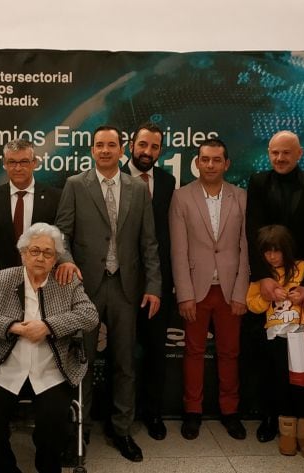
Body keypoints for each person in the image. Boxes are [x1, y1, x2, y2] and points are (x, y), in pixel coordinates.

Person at [54, 125, 161, 462]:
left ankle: (122, 430)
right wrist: (68, 264)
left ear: (121, 149)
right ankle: (79, 430)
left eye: (111, 145)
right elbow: (61, 235)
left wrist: (154, 286)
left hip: (126, 288)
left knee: (125, 362)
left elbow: (149, 242)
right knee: (81, 360)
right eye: (99, 144)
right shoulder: (75, 185)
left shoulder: (137, 189)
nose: (104, 150)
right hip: (85, 287)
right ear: (91, 149)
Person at [0, 223, 100, 473]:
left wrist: (48, 326)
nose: (40, 257)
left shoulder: (66, 281)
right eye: (34, 250)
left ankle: (47, 466)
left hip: (50, 370)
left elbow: (89, 315)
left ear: (55, 258)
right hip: (6, 367)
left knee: (55, 422)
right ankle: (6, 468)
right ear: (23, 254)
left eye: (48, 253)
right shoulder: (3, 278)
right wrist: (13, 326)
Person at [244, 130, 304, 442]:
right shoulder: (258, 182)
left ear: (299, 154)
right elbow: (251, 231)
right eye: (274, 153)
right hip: (268, 286)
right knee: (270, 361)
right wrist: (263, 277)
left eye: (286, 153)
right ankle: (271, 418)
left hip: (303, 286)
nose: (279, 159)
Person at [168, 138, 249, 440]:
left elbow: (246, 248)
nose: (211, 165)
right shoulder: (181, 197)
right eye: (205, 159)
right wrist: (184, 294)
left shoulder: (241, 197)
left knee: (230, 352)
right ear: (198, 162)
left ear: (227, 164)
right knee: (193, 352)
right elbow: (178, 249)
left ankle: (230, 411)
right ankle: (193, 411)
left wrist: (241, 292)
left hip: (230, 291)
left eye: (217, 160)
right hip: (196, 290)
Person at [246, 224, 304, 460]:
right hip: (277, 338)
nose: (272, 256)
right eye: (267, 252)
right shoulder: (262, 277)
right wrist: (266, 295)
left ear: (287, 249)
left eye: (277, 251)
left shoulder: (303, 269)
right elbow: (251, 303)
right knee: (281, 384)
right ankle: (287, 434)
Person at [120, 122, 175, 440]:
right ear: (131, 145)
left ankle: (152, 413)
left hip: (157, 284)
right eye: (143, 145)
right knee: (122, 353)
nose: (147, 152)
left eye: (154, 147)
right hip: (122, 283)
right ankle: (119, 415)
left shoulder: (167, 182)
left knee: (155, 352)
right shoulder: (115, 177)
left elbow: (165, 237)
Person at [0, 138, 61, 293]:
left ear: (35, 163)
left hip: (44, 285)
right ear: (4, 164)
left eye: (24, 162)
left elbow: (61, 241)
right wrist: (5, 275)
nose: (18, 168)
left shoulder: (56, 198)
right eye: (12, 162)